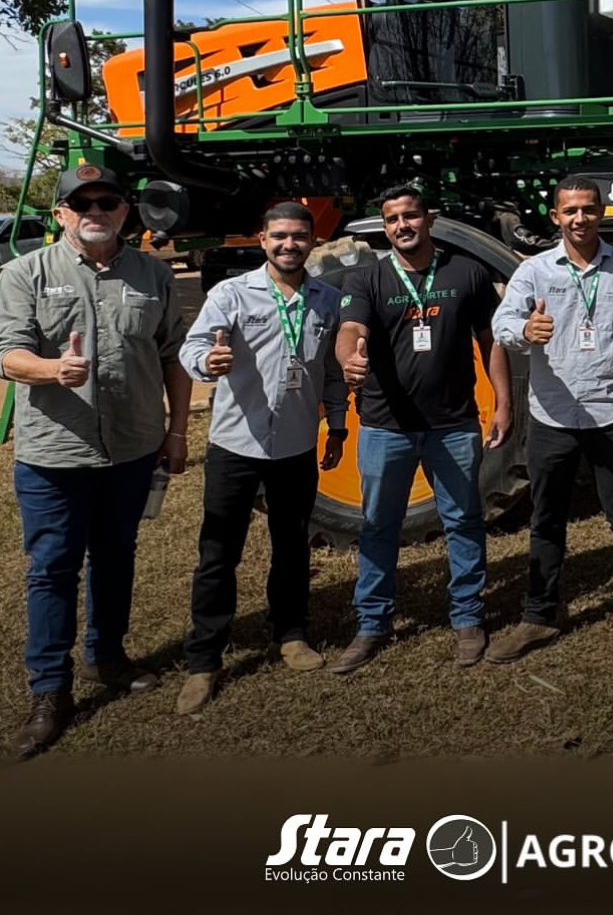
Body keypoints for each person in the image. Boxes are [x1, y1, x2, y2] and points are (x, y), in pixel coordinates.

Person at [0, 164, 190, 759]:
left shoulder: (153, 274)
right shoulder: (24, 273)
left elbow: (173, 356)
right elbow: (8, 356)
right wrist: (53, 369)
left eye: (107, 201)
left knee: (115, 556)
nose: (96, 212)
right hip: (54, 455)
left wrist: (177, 432)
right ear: (60, 214)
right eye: (81, 203)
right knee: (52, 568)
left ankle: (106, 656)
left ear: (125, 211)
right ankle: (49, 691)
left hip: (131, 448)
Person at [176, 202, 348, 714]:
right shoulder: (231, 294)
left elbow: (332, 373)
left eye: (298, 236)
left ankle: (291, 634)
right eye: (279, 236)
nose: (288, 244)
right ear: (262, 239)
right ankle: (204, 660)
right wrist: (208, 361)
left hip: (295, 445)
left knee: (292, 545)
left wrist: (338, 425)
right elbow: (193, 348)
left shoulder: (327, 300)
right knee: (218, 553)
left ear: (313, 241)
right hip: (235, 446)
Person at [488, 176, 613, 665]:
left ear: (600, 213)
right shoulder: (535, 271)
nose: (580, 218)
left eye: (588, 209)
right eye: (570, 211)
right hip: (553, 417)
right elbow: (502, 325)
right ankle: (538, 616)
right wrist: (526, 329)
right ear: (555, 217)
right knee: (546, 520)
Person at [332, 186, 512, 670]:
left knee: (464, 521)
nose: (402, 226)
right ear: (384, 226)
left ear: (428, 219)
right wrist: (349, 359)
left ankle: (468, 617)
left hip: (453, 424)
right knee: (378, 525)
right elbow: (350, 329)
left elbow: (491, 340)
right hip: (385, 427)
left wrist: (503, 402)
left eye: (410, 216)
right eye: (392, 219)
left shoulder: (467, 272)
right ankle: (371, 623)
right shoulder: (366, 277)